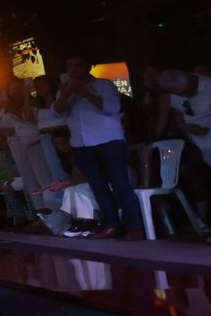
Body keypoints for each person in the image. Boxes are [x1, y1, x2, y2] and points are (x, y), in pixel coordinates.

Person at [54, 56, 144, 239]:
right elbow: (57, 113)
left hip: (109, 141)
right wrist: (64, 95)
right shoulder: (65, 89)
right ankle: (112, 225)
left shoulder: (104, 85)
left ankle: (135, 226)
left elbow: (111, 108)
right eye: (69, 66)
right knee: (98, 187)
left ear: (87, 67)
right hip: (82, 144)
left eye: (77, 65)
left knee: (120, 184)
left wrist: (84, 93)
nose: (73, 70)